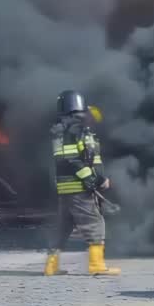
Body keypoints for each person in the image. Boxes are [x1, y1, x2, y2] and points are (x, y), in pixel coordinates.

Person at [43, 90, 119, 276]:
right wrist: (94, 179)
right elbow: (72, 158)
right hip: (79, 189)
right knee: (95, 224)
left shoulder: (63, 130)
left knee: (63, 227)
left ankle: (51, 266)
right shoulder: (74, 129)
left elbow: (68, 157)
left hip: (66, 190)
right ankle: (97, 266)